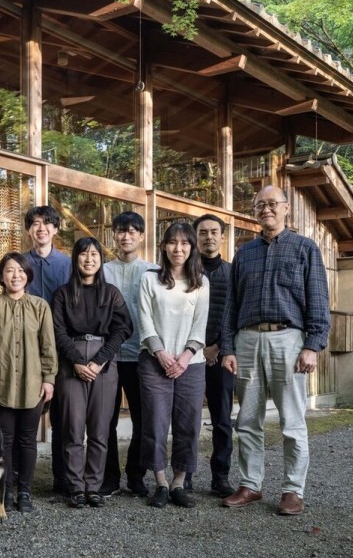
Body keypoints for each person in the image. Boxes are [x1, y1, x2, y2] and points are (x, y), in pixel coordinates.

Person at [220, 186, 330, 516]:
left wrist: (313, 345)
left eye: (272, 204)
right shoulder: (244, 253)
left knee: (292, 420)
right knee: (248, 418)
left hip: (289, 339)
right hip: (248, 340)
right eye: (259, 205)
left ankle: (293, 490)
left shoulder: (305, 249)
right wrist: (228, 347)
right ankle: (250, 484)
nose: (266, 209)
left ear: (286, 210)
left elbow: (319, 301)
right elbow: (231, 306)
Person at [52, 237, 132, 509]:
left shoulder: (111, 293)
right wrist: (75, 360)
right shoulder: (63, 294)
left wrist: (99, 360)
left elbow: (123, 328)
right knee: (72, 429)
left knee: (99, 429)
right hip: (70, 362)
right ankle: (75, 486)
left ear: (100, 259)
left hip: (104, 363)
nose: (89, 259)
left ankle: (93, 486)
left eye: (94, 255)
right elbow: (57, 330)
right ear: (75, 259)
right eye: (83, 254)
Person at [0, 252, 57, 514]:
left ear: (27, 275)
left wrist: (49, 379)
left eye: (21, 271)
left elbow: (48, 346)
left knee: (28, 440)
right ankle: (6, 492)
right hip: (1, 384)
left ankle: (25, 492)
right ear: (2, 275)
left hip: (33, 384)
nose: (15, 275)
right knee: (5, 441)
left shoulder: (40, 306)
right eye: (10, 270)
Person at [137, 222, 210, 510]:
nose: (178, 248)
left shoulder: (201, 282)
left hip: (191, 363)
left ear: (191, 248)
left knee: (188, 424)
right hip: (155, 362)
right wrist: (162, 354)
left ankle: (180, 481)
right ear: (164, 246)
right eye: (172, 243)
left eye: (184, 243)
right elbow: (144, 319)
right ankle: (161, 482)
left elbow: (200, 323)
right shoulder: (150, 279)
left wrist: (185, 356)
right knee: (155, 422)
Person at [101, 211, 155, 497]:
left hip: (141, 355)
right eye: (121, 231)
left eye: (133, 231)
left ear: (141, 236)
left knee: (142, 419)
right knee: (105, 420)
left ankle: (136, 475)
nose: (126, 236)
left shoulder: (154, 270)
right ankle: (109, 477)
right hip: (107, 357)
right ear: (114, 235)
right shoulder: (103, 270)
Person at [183, 213, 235, 498]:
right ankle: (185, 473)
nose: (209, 237)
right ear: (196, 237)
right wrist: (197, 347)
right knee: (188, 417)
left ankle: (221, 476)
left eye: (214, 232)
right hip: (189, 355)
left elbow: (234, 314)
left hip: (221, 355)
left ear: (223, 237)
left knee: (222, 419)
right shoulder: (184, 272)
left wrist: (217, 347)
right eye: (203, 232)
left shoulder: (232, 273)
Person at [22, 205, 71, 495]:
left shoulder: (67, 264)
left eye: (47, 224)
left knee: (62, 414)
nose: (41, 228)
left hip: (60, 347)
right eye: (35, 223)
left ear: (55, 228)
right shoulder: (19, 262)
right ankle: (16, 477)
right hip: (25, 349)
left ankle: (61, 477)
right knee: (23, 409)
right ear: (29, 229)